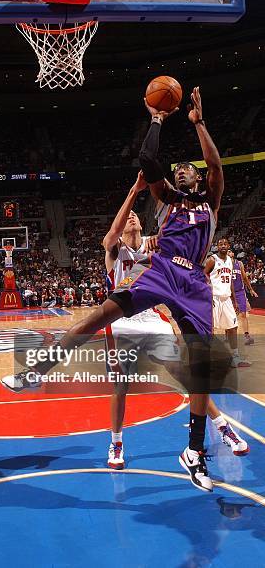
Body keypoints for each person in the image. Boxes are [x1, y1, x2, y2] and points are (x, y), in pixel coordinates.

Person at [2, 87, 225, 493]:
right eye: (176, 171)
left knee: (200, 367)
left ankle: (194, 450)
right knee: (99, 315)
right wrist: (157, 119)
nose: (180, 172)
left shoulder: (211, 199)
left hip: (193, 282)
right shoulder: (166, 201)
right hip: (161, 270)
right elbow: (147, 160)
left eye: (186, 170)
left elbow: (213, 163)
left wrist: (199, 124)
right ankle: (39, 369)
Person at [103, 175, 248, 469]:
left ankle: (223, 427)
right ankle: (116, 443)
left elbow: (188, 253)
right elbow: (111, 234)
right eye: (126, 217)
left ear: (143, 225)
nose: (130, 218)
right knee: (120, 387)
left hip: (152, 321)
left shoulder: (155, 247)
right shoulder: (114, 250)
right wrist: (134, 191)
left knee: (186, 377)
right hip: (121, 324)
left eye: (134, 216)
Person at [205, 238, 250, 367]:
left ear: (229, 246)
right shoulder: (212, 260)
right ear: (217, 247)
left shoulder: (230, 261)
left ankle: (235, 357)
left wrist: (234, 300)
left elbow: (230, 281)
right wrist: (209, 288)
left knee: (233, 327)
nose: (223, 246)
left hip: (227, 299)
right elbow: (203, 275)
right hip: (214, 298)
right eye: (220, 244)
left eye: (225, 244)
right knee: (210, 328)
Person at [228, 249, 258, 345]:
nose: (229, 252)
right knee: (230, 316)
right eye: (228, 251)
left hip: (239, 292)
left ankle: (247, 336)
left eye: (230, 251)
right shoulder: (223, 264)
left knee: (243, 314)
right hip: (228, 293)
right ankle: (228, 335)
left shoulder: (239, 263)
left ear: (233, 254)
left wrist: (251, 289)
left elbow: (244, 278)